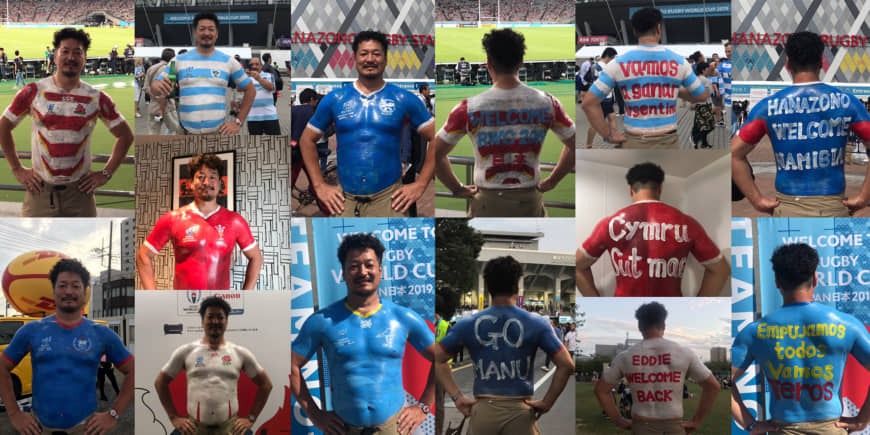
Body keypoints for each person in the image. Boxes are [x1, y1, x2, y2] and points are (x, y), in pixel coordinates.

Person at [291, 233, 436, 435]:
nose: (362, 272)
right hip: (343, 429)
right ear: (343, 273)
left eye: (369, 265)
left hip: (393, 428)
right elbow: (291, 365)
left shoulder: (403, 318)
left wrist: (424, 407)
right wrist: (315, 415)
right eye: (354, 266)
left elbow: (442, 358)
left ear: (380, 270)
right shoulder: (322, 321)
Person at [434, 28, 575, 217]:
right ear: (521, 62)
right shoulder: (548, 103)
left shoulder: (467, 108)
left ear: (489, 63)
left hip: (486, 202)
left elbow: (435, 152)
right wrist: (553, 180)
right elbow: (574, 144)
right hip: (530, 200)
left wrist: (456, 188)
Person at [732, 243, 870, 434]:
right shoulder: (847, 325)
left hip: (784, 429)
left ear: (777, 281)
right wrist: (863, 418)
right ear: (815, 278)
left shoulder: (754, 332)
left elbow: (725, 379)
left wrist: (750, 423)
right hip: (830, 429)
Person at [298, 30, 436, 217]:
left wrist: (421, 184)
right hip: (344, 200)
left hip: (389, 199)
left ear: (385, 59)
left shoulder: (403, 99)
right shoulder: (335, 99)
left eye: (376, 54)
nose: (370, 59)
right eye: (364, 54)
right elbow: (307, 140)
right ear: (355, 59)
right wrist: (319, 185)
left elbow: (437, 137)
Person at [732, 31, 870, 217]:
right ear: (821, 62)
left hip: (787, 207)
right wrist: (863, 197)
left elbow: (734, 154)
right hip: (833, 207)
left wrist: (756, 200)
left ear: (788, 64)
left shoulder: (767, 107)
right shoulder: (848, 103)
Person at [0, 28, 134, 217]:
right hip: (39, 192)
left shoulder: (97, 98)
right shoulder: (33, 92)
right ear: (55, 56)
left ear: (84, 58)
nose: (71, 57)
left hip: (80, 194)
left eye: (77, 52)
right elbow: (3, 126)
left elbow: (125, 135)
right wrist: (17, 169)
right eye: (65, 51)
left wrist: (106, 173)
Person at [435, 256, 574, 435]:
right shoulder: (536, 323)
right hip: (520, 411)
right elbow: (566, 365)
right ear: (517, 286)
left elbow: (438, 358)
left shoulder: (467, 324)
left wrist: (457, 397)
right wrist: (547, 402)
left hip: (483, 411)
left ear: (489, 287)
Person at [0, 259, 134, 434]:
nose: (68, 291)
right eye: (62, 285)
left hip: (86, 429)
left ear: (85, 291)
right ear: (54, 290)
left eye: (75, 286)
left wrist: (113, 414)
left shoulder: (102, 334)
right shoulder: (32, 331)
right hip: (39, 428)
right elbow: (2, 366)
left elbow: (133, 370)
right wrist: (14, 413)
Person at [576, 162, 730, 297]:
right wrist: (699, 309)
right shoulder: (687, 223)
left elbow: (577, 265)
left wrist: (593, 301)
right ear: (660, 189)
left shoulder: (609, 224)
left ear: (630, 189)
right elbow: (720, 270)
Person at [582, 7, 707, 149]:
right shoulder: (680, 62)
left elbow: (588, 103)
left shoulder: (617, 63)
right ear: (659, 29)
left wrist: (608, 135)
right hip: (669, 141)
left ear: (635, 32)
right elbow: (702, 95)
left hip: (633, 141)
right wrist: (671, 90)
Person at [136, 153, 263, 290]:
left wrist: (245, 297)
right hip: (183, 305)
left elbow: (256, 258)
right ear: (191, 184)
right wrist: (153, 298)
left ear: (220, 184)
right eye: (200, 177)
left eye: (212, 177)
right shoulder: (172, 219)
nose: (207, 182)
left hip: (219, 304)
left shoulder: (235, 221)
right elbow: (143, 255)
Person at [596, 302, 720, 434]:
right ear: (664, 326)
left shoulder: (625, 356)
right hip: (673, 427)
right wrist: (696, 420)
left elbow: (601, 390)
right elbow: (713, 386)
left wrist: (618, 419)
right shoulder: (683, 353)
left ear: (639, 326)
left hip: (641, 426)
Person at [155, 296, 272, 435]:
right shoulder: (186, 351)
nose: (215, 321)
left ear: (226, 321)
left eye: (220, 317)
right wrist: (173, 417)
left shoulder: (240, 353)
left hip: (230, 428)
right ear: (202, 321)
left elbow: (266, 384)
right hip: (194, 429)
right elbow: (160, 383)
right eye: (210, 317)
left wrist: (251, 418)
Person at [150, 12, 256, 135]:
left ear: (216, 34)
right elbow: (155, 86)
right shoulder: (178, 60)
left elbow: (251, 90)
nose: (206, 33)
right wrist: (156, 86)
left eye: (211, 29)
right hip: (185, 133)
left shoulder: (229, 61)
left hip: (218, 133)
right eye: (202, 29)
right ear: (195, 33)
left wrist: (238, 121)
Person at [585, 47, 617, 148]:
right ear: (608, 57)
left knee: (611, 118)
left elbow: (589, 79)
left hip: (600, 96)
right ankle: (589, 144)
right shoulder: (608, 67)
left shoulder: (594, 66)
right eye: (612, 58)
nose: (613, 60)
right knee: (596, 123)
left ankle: (615, 139)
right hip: (604, 98)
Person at [144, 48, 181, 135]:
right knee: (174, 130)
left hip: (153, 105)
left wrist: (154, 97)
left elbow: (146, 88)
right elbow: (167, 93)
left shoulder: (151, 69)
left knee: (153, 132)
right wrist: (161, 108)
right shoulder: (169, 71)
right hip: (167, 107)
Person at [242, 56, 280, 135]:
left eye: (257, 64)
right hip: (253, 116)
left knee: (275, 142)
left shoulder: (269, 75)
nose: (254, 66)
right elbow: (238, 88)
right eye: (252, 64)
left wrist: (258, 78)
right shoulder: (247, 77)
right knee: (255, 144)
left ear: (261, 65)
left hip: (269, 115)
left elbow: (271, 87)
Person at [691, 61, 717, 149]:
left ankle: (703, 142)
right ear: (703, 70)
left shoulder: (696, 79)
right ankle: (696, 138)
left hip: (700, 105)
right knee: (709, 125)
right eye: (707, 69)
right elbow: (709, 93)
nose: (708, 70)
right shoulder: (705, 80)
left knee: (703, 125)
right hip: (705, 105)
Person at [718, 41, 734, 132]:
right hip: (728, 101)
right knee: (730, 127)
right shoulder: (722, 65)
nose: (727, 54)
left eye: (729, 51)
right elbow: (715, 75)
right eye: (726, 51)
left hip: (742, 100)